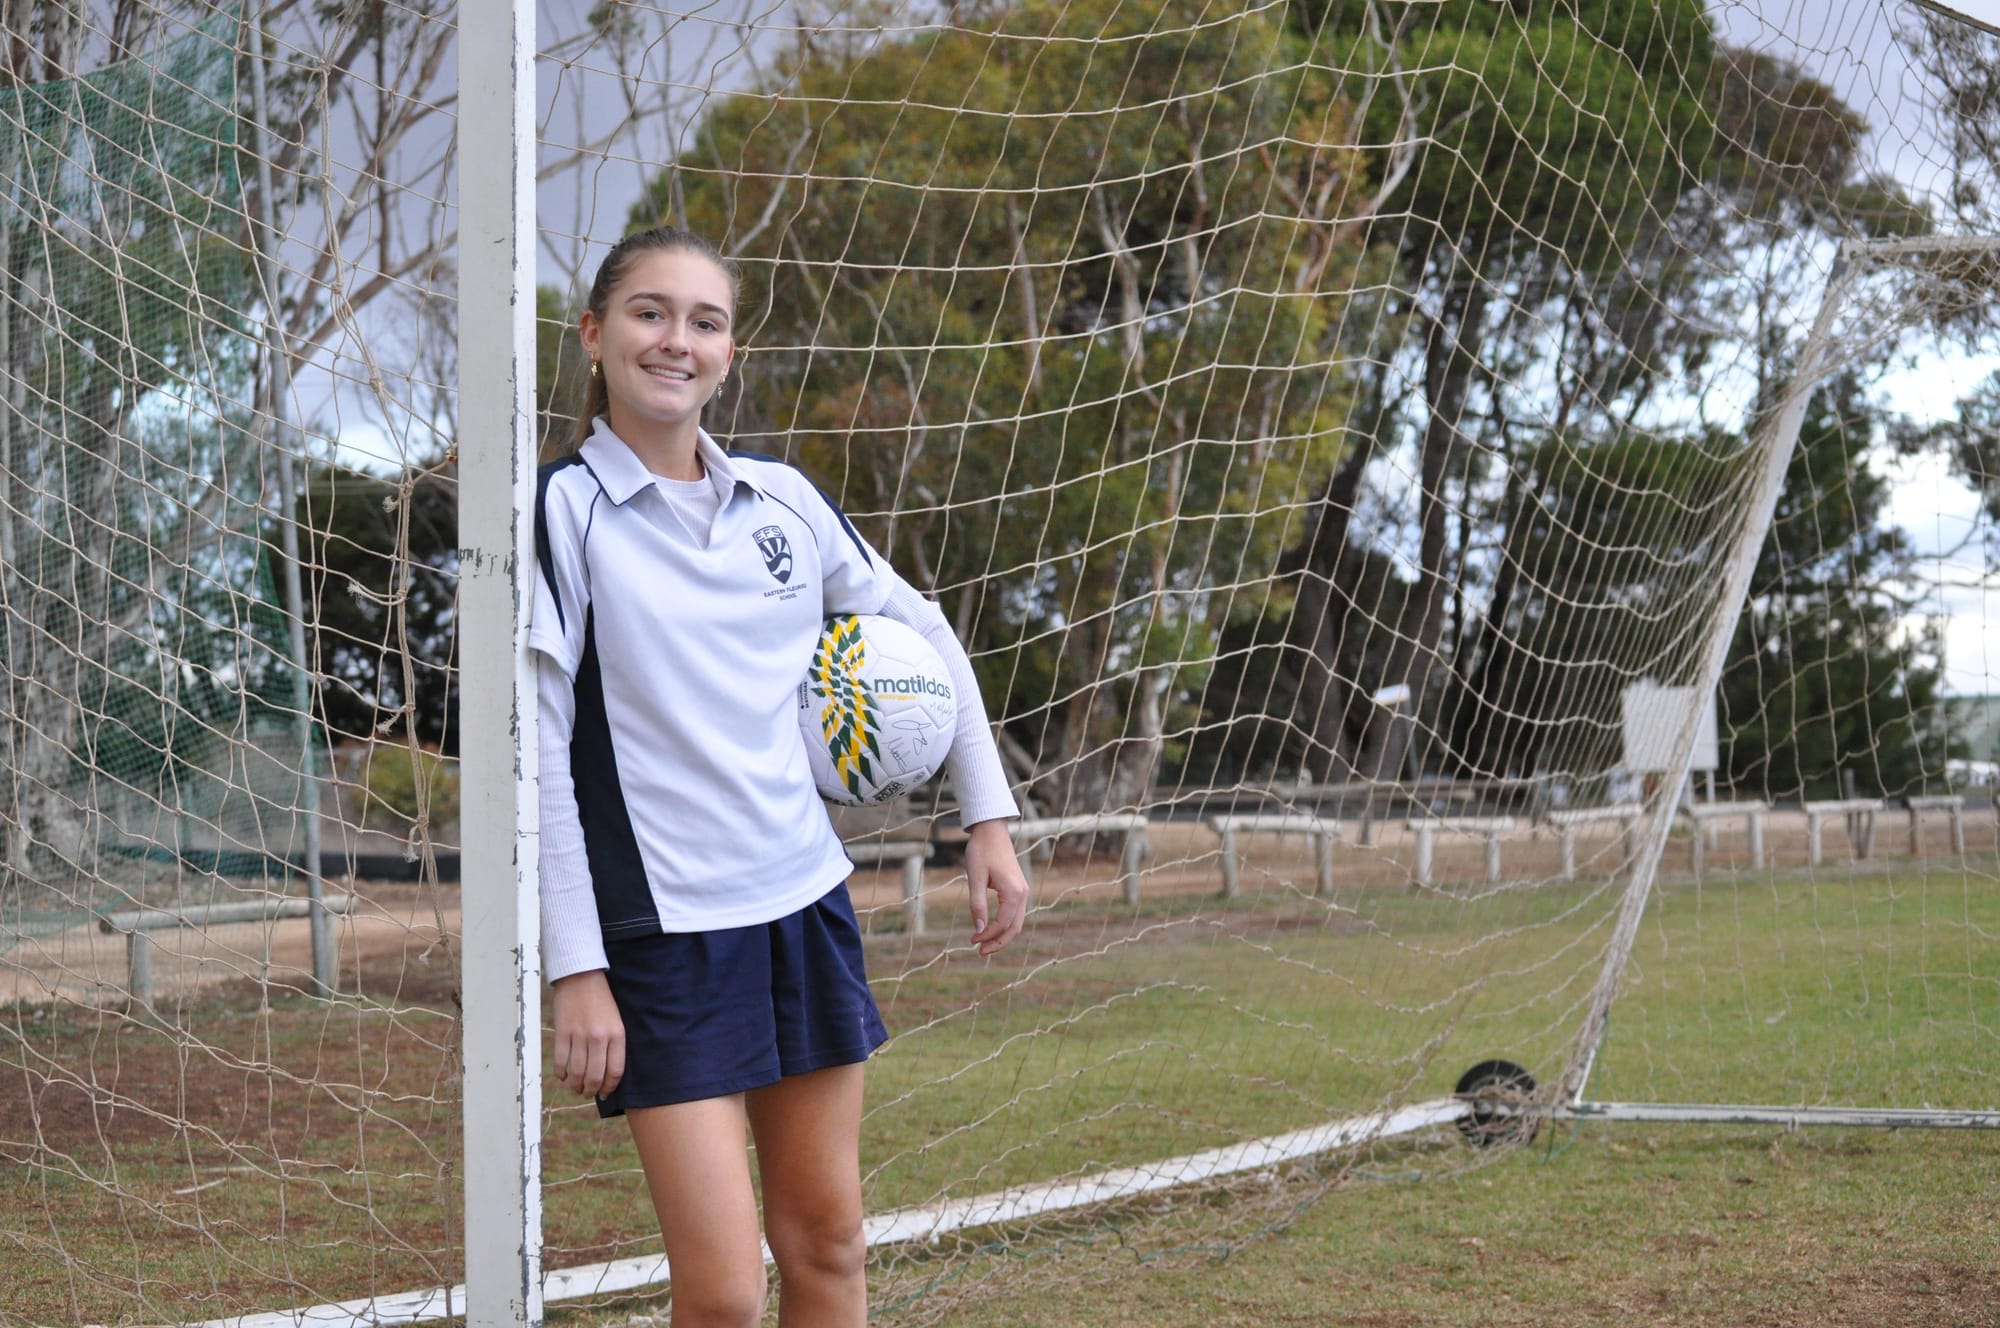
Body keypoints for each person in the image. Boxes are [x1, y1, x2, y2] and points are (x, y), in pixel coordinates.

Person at [531, 224, 1029, 1328]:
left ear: (729, 350)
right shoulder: (559, 510)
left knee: (830, 1248)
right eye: (649, 312)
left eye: (703, 321)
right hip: (662, 936)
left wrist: (984, 814)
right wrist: (576, 966)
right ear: (594, 333)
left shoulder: (783, 499)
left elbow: (927, 630)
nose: (675, 339)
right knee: (718, 1295)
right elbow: (539, 759)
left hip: (803, 907)